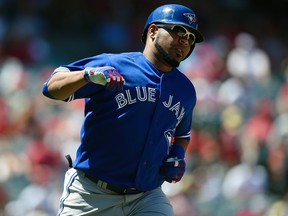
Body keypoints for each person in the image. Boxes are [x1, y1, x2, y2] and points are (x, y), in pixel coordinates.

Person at [42, 4, 203, 216]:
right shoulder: (114, 64)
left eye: (191, 37)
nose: (185, 40)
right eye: (178, 31)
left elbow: (182, 135)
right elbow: (51, 88)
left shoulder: (186, 90)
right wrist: (86, 75)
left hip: (146, 196)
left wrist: (177, 155)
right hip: (92, 193)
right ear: (153, 31)